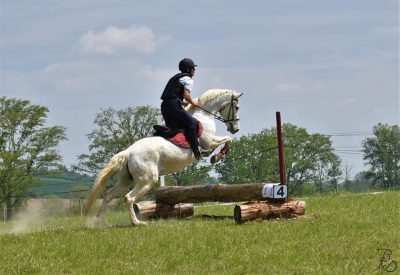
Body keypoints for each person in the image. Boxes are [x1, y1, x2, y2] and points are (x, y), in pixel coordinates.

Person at [160, 58, 203, 159]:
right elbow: (187, 95)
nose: (194, 70)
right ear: (188, 69)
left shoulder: (175, 77)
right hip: (174, 105)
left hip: (165, 105)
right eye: (193, 68)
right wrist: (193, 103)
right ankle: (196, 150)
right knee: (192, 123)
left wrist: (183, 103)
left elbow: (173, 96)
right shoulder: (188, 79)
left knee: (176, 126)